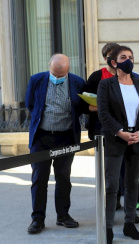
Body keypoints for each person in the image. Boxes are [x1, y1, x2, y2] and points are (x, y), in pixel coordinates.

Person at [97, 45, 139, 244]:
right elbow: (103, 114)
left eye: (131, 56)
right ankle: (108, 228)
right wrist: (120, 132)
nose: (128, 60)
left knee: (132, 184)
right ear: (114, 62)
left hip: (138, 139)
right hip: (116, 139)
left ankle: (129, 223)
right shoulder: (106, 85)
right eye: (123, 57)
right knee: (112, 186)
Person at [25, 54, 88, 234]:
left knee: (63, 178)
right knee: (39, 178)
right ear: (49, 67)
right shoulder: (36, 80)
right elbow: (31, 104)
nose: (58, 78)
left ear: (68, 70)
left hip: (66, 137)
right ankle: (37, 219)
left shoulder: (77, 82)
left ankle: (63, 216)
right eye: (55, 74)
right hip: (41, 137)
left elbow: (82, 107)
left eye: (62, 75)